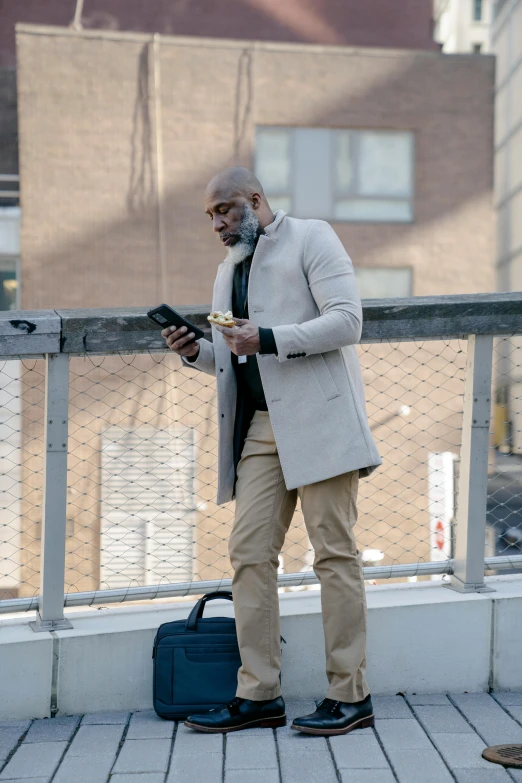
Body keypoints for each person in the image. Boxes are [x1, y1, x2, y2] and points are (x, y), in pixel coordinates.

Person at [162, 167, 382, 736]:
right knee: (248, 552)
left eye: (225, 211)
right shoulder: (227, 269)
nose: (217, 224)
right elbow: (235, 355)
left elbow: (347, 321)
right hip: (260, 428)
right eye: (210, 215)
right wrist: (195, 352)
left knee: (334, 554)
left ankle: (350, 697)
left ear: (255, 200)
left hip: (322, 421)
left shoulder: (314, 237)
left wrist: (268, 337)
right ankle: (259, 695)